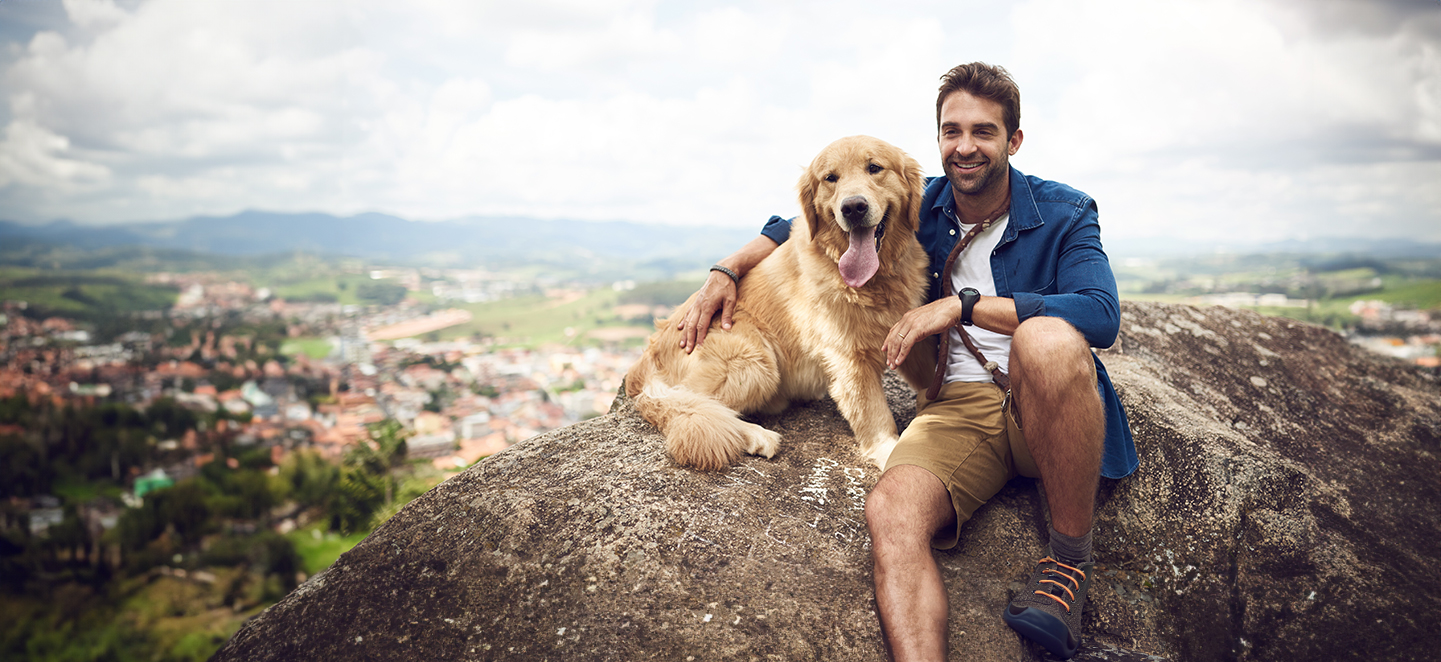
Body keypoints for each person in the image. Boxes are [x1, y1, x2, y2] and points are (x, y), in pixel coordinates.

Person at [675, 62, 1137, 660]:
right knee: (890, 508)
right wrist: (726, 269)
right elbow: (798, 216)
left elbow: (1100, 315)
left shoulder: (1066, 211)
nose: (965, 147)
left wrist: (961, 307)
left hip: (1043, 396)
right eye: (952, 131)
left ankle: (1068, 564)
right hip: (960, 408)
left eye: (984, 131)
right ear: (939, 139)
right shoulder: (923, 199)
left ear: (1013, 141)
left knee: (1045, 339)